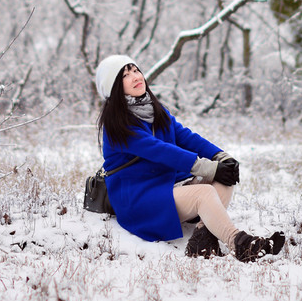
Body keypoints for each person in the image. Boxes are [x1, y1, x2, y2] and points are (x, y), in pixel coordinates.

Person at [94, 54, 285, 262]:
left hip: (165, 185)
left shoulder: (155, 110)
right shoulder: (116, 126)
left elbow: (186, 137)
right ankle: (241, 244)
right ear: (113, 86)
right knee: (203, 193)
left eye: (135, 70)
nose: (135, 76)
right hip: (139, 198)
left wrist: (221, 157)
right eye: (125, 75)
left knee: (225, 179)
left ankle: (201, 241)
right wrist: (207, 168)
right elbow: (159, 150)